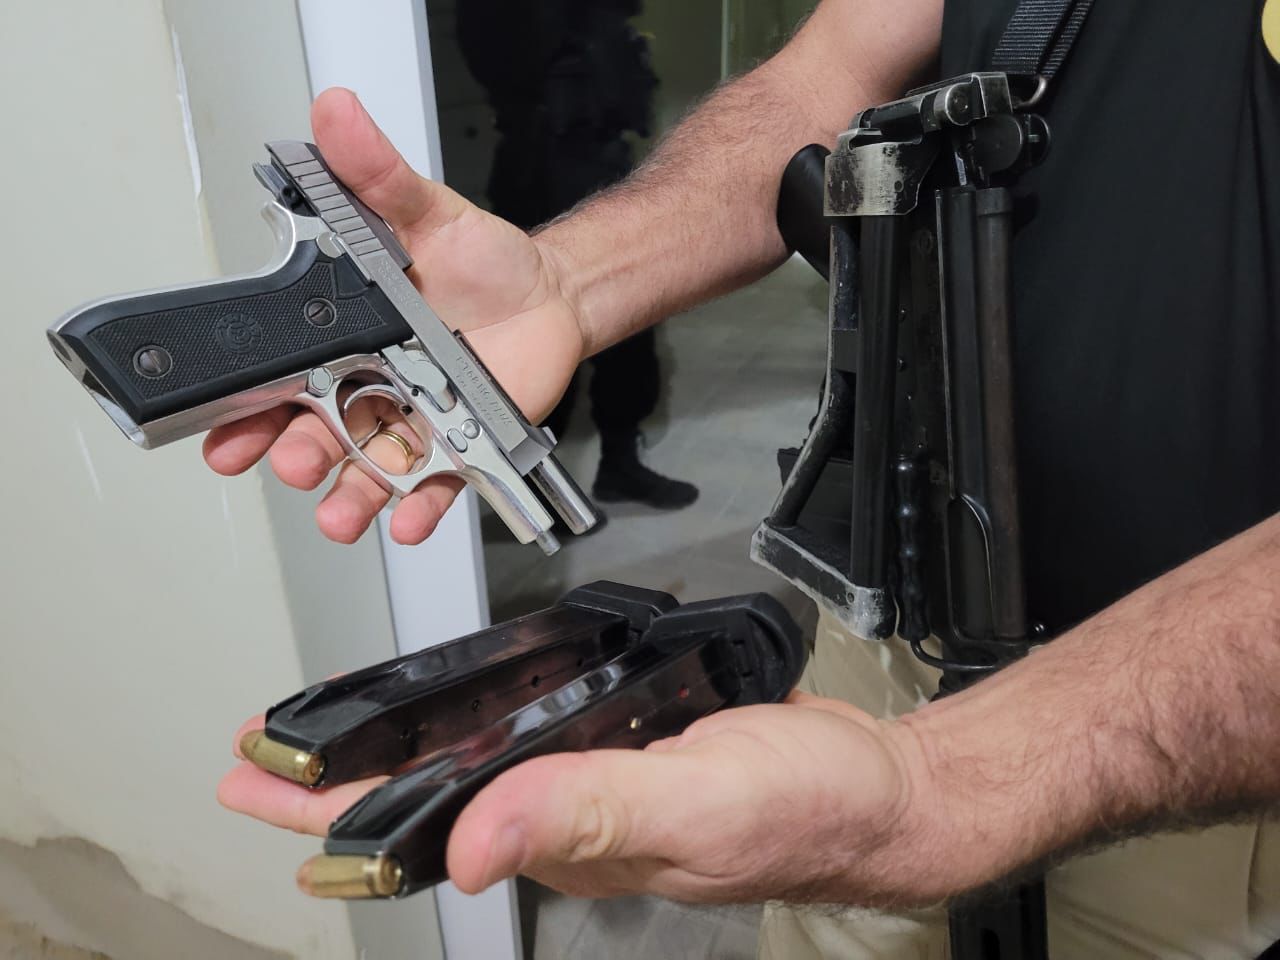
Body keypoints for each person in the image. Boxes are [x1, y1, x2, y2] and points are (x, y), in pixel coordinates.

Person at [206, 0, 1280, 956]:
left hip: (1195, 729)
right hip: (899, 612)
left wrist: (943, 787)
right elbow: (818, 82)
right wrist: (565, 281)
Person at [456, 0, 699, 512]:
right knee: (543, 333)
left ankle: (620, 464)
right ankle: (534, 492)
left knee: (630, 323)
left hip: (606, 165)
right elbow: (502, 59)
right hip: (543, 173)